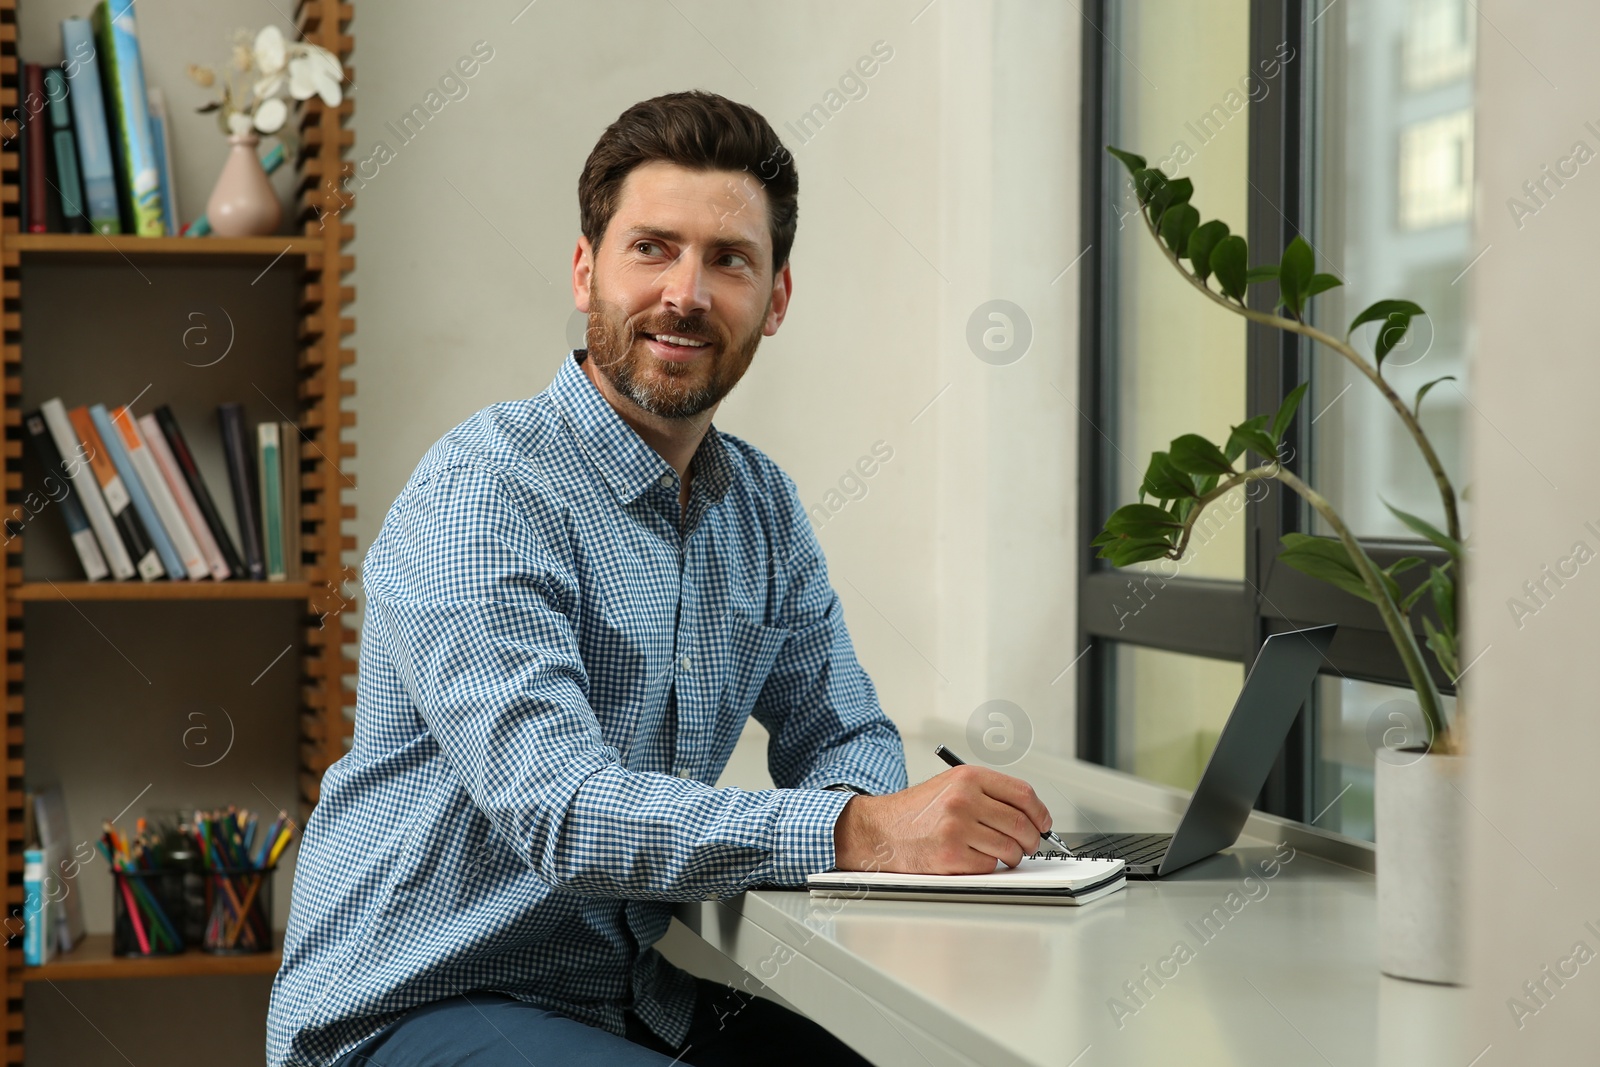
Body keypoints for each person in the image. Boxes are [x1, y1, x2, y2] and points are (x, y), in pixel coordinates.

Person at [266, 89, 1058, 1067]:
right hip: (415, 1005)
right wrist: (860, 830)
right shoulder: (487, 492)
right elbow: (561, 809)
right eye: (652, 247)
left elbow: (844, 729)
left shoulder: (761, 506)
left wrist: (887, 821)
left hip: (629, 996)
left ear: (775, 300)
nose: (685, 292)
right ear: (586, 270)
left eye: (728, 259)